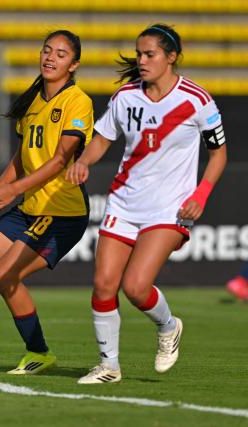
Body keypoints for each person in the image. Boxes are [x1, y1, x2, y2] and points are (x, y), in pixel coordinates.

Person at [66, 24, 227, 384]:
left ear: (171, 57)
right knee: (104, 285)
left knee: (136, 287)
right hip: (124, 202)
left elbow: (218, 154)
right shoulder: (125, 97)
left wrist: (200, 195)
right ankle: (109, 366)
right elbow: (103, 139)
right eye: (138, 54)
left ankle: (169, 327)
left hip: (170, 208)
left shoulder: (197, 100)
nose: (141, 60)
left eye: (149, 54)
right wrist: (83, 161)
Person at [0, 30, 94, 374]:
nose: (51, 57)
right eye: (47, 51)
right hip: (30, 208)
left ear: (74, 64)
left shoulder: (77, 101)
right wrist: (0, 189)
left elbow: (60, 160)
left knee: (6, 274)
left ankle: (39, 351)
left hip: (61, 212)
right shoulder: (33, 100)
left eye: (61, 54)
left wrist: (13, 191)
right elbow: (23, 156)